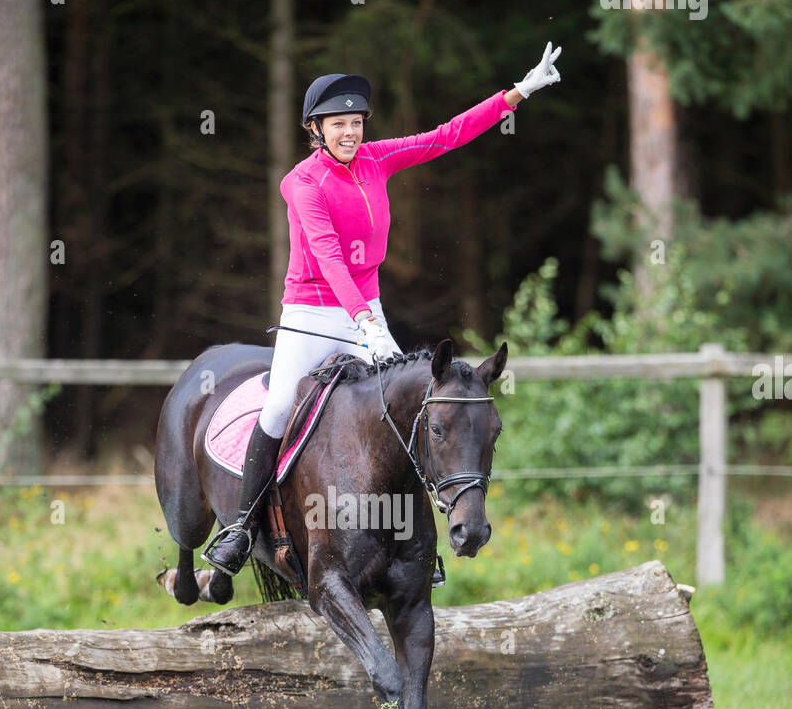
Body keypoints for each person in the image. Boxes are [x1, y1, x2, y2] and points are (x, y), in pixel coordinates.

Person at [203, 42, 562, 575]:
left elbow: (446, 136)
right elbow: (327, 258)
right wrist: (364, 322)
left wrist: (515, 94)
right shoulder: (301, 183)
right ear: (315, 130)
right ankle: (239, 529)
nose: (350, 133)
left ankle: (417, 547)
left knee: (406, 409)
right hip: (312, 313)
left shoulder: (376, 158)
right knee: (279, 408)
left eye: (356, 122)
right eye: (338, 124)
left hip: (365, 310)